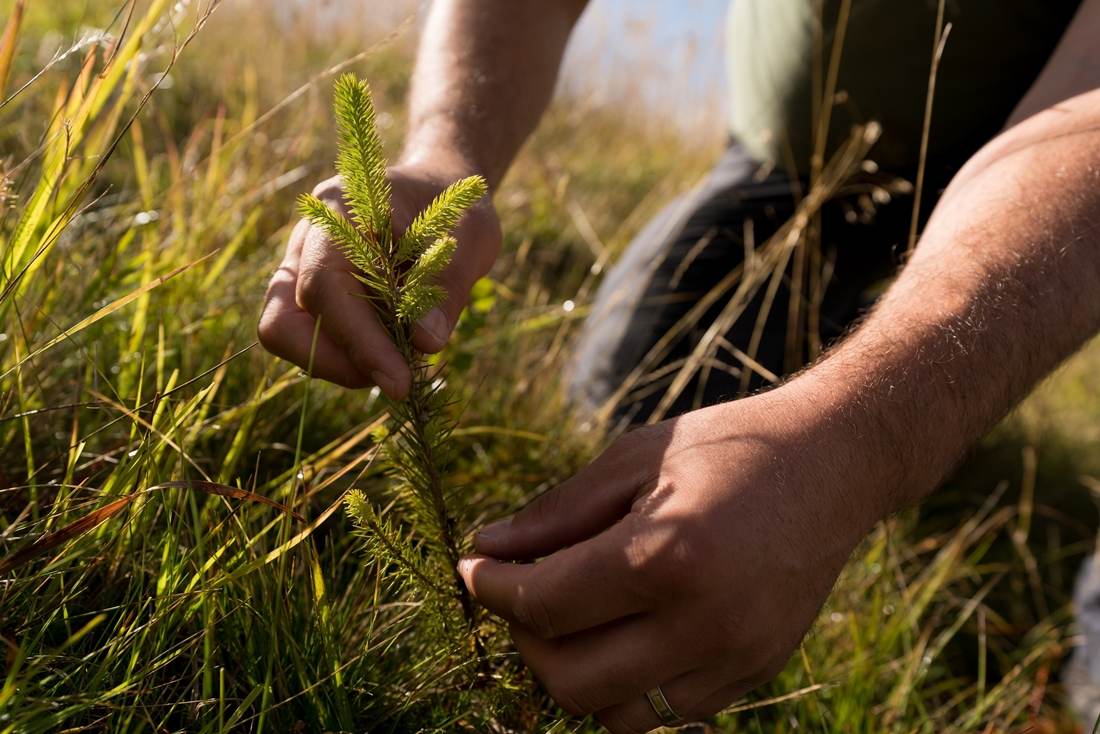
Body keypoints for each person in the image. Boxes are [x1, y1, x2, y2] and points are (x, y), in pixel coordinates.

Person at [258, 1, 1100, 731]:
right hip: (787, 166)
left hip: (1063, 178)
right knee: (629, 425)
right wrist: (445, 157)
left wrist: (853, 444)